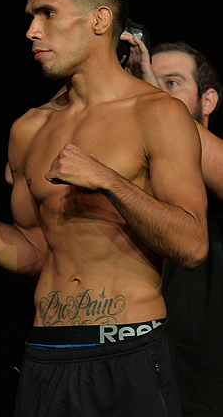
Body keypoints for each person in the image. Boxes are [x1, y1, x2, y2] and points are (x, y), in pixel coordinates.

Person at [0, 0, 208, 417]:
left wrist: (107, 180)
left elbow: (193, 246)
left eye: (47, 14)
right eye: (30, 19)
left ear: (99, 20)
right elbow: (36, 252)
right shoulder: (29, 128)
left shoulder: (158, 114)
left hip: (130, 351)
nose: (32, 31)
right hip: (46, 354)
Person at [121, 38, 223, 416]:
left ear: (208, 100)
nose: (157, 94)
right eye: (149, 81)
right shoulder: (132, 166)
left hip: (205, 389)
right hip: (139, 375)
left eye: (173, 83)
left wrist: (152, 101)